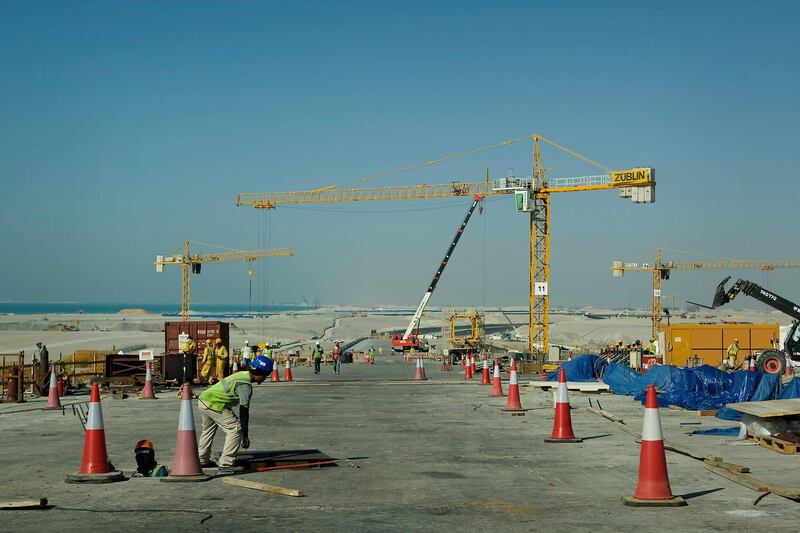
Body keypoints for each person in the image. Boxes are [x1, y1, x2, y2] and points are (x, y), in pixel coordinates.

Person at [197, 355, 272, 474]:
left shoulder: (242, 375)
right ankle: (226, 464)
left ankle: (202, 459)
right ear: (260, 373)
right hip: (214, 404)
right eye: (265, 376)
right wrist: (245, 435)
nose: (263, 380)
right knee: (235, 429)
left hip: (203, 400)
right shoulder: (245, 386)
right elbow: (244, 411)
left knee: (208, 430)